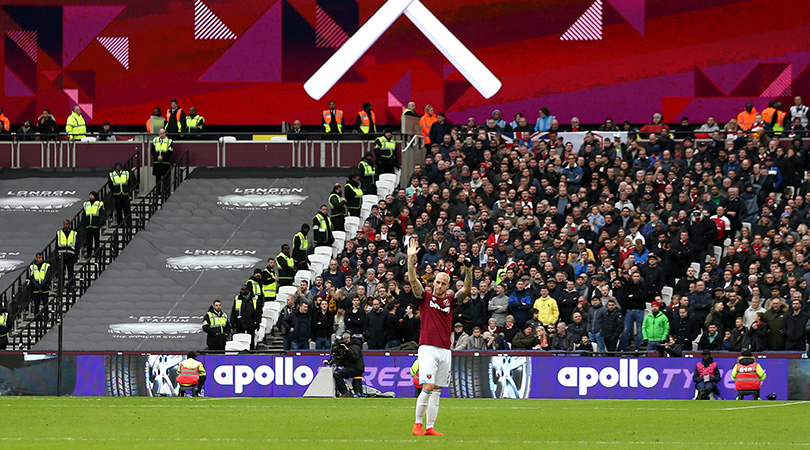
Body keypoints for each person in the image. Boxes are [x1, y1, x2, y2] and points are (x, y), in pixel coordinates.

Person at [408, 238, 472, 436]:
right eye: (438, 282)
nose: (440, 285)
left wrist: (469, 271)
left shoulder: (450, 302)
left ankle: (430, 427)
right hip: (427, 347)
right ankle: (417, 423)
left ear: (447, 286)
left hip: (446, 349)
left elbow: (467, 290)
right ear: (433, 282)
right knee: (427, 386)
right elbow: (413, 281)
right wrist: (411, 261)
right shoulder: (425, 298)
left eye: (444, 283)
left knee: (437, 389)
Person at [333, 332, 365, 397]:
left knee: (337, 374)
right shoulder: (346, 346)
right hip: (351, 367)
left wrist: (347, 350)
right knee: (338, 372)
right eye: (345, 338)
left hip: (356, 368)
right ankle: (347, 392)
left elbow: (354, 358)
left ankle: (345, 392)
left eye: (347, 338)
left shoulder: (354, 346)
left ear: (350, 338)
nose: (346, 340)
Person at [28, 252, 52, 332]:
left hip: (44, 287)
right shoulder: (32, 267)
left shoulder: (46, 265)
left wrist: (43, 283)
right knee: (36, 303)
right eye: (39, 258)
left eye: (41, 258)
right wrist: (36, 284)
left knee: (45, 302)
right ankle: (37, 317)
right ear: (36, 258)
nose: (40, 259)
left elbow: (48, 276)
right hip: (35, 288)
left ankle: (46, 316)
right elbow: (31, 277)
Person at [108, 162, 132, 230]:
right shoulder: (112, 174)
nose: (118, 167)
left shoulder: (126, 173)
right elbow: (110, 184)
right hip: (117, 195)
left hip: (125, 194)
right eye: (117, 166)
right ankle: (120, 224)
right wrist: (114, 191)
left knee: (127, 210)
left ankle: (128, 224)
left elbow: (130, 182)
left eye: (119, 166)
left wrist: (128, 190)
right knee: (118, 211)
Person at [151, 128, 173, 199]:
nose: (162, 135)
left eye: (163, 133)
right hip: (157, 162)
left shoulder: (169, 141)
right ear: (158, 134)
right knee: (158, 178)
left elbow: (170, 151)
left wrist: (163, 157)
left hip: (165, 162)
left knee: (166, 178)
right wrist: (157, 156)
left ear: (165, 134)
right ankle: (157, 192)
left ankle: (165, 192)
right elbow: (152, 150)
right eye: (160, 133)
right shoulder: (155, 140)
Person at [81, 191, 104, 258]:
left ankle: (97, 253)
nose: (90, 196)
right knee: (89, 240)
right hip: (88, 225)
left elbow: (102, 214)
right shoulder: (86, 204)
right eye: (90, 195)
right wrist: (83, 223)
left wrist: (100, 223)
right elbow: (84, 214)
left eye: (92, 195)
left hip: (96, 225)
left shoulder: (99, 203)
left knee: (96, 240)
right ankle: (89, 253)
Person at [56, 219, 77, 287]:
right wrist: (57, 256)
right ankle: (61, 287)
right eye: (64, 224)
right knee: (61, 273)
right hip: (61, 256)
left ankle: (71, 286)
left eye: (67, 224)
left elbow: (76, 245)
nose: (66, 225)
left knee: (70, 272)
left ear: (69, 225)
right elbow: (56, 246)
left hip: (70, 255)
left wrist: (76, 256)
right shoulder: (59, 233)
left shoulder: (74, 233)